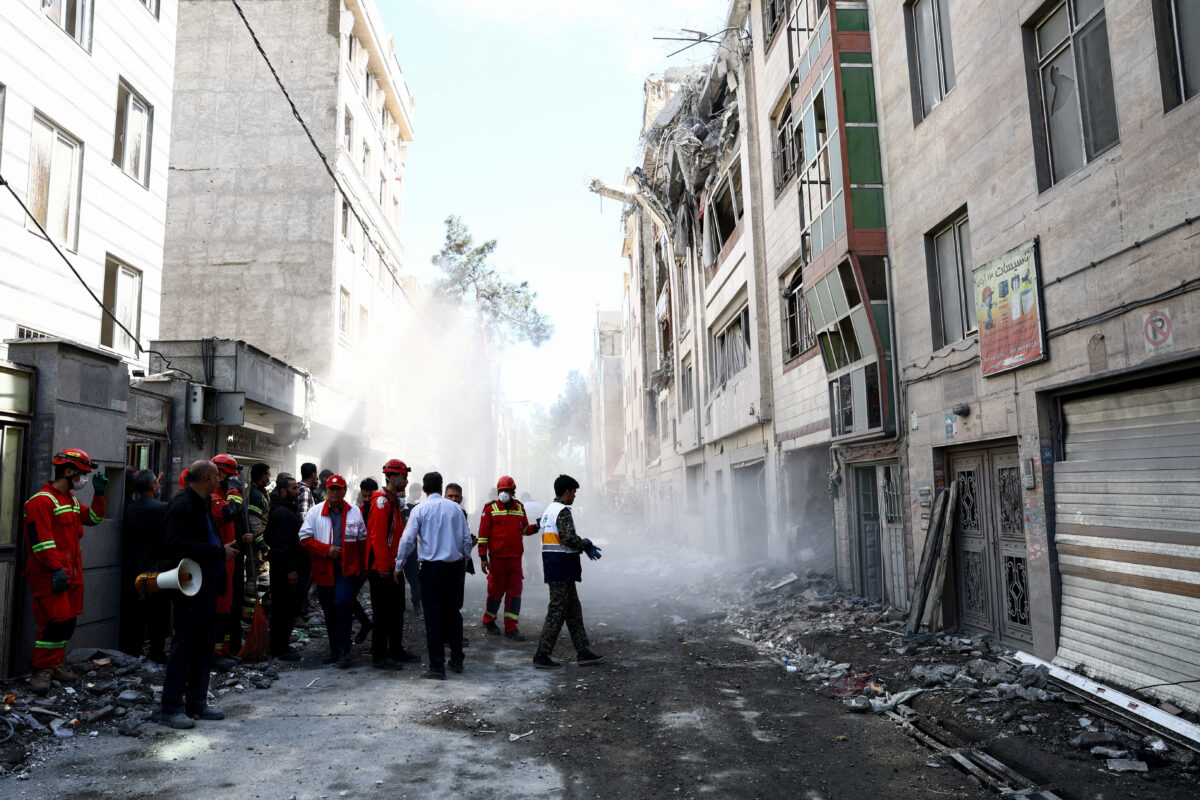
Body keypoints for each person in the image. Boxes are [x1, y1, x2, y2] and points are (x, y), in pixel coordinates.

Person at [159, 461, 239, 729]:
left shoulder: (202, 502)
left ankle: (197, 701)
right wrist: (218, 552)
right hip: (189, 586)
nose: (221, 480)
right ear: (207, 477)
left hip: (206, 585)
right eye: (217, 475)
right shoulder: (183, 504)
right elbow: (175, 544)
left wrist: (220, 549)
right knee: (184, 645)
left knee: (203, 645)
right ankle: (170, 708)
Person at [24, 448, 109, 694]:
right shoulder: (41, 501)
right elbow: (41, 541)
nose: (83, 479)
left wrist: (100, 494)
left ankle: (54, 664)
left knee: (68, 623)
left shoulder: (69, 501)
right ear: (68, 472)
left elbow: (92, 518)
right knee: (54, 624)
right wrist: (56, 570)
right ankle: (41, 670)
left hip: (71, 575)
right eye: (81, 474)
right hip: (51, 575)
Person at [395, 471, 472, 680]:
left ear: (424, 490)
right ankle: (457, 661)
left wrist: (398, 564)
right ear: (441, 487)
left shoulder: (419, 510)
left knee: (433, 617)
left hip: (431, 570)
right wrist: (463, 562)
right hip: (453, 568)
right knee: (453, 614)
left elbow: (407, 539)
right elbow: (466, 540)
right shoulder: (455, 509)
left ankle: (437, 667)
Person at [533, 475, 604, 669]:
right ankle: (542, 655)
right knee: (557, 611)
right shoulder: (562, 511)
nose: (574, 496)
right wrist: (585, 544)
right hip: (561, 567)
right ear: (566, 492)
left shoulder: (549, 510)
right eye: (573, 492)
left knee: (573, 611)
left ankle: (583, 653)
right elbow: (568, 537)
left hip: (555, 566)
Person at [300, 474, 366, 668]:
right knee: (329, 609)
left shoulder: (354, 511)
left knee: (343, 604)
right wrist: (325, 550)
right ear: (326, 491)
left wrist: (362, 568)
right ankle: (334, 649)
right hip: (323, 567)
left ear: (345, 491)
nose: (335, 492)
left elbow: (362, 539)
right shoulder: (315, 511)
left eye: (339, 489)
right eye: (332, 489)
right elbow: (303, 538)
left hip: (346, 568)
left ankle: (345, 650)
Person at [364, 460, 420, 670]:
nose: (406, 481)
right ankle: (379, 656)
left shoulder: (392, 500)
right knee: (382, 612)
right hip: (382, 568)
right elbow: (378, 537)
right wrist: (383, 568)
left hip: (392, 566)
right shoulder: (382, 502)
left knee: (397, 610)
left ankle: (395, 650)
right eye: (403, 477)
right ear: (392, 477)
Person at [478, 475, 537, 641]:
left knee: (515, 592)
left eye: (507, 490)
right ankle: (489, 620)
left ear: (513, 492)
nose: (504, 493)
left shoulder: (519, 507)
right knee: (495, 591)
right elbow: (483, 535)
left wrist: (535, 528)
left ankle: (511, 627)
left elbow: (524, 529)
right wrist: (483, 557)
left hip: (515, 559)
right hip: (497, 559)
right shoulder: (490, 508)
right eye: (502, 490)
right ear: (498, 491)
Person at [119, 469, 169, 663]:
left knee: (135, 613)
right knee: (158, 614)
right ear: (153, 486)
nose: (158, 486)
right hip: (156, 568)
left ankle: (133, 649)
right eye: (156, 483)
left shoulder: (129, 508)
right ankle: (156, 651)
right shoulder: (163, 508)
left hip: (133, 568)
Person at [209, 454, 247, 667]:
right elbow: (229, 513)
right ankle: (214, 655)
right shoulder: (214, 496)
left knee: (226, 607)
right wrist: (235, 490)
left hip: (229, 559)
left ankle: (223, 650)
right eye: (231, 475)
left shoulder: (223, 494)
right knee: (219, 607)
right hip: (219, 559)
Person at [264, 473, 302, 661]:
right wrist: (290, 569)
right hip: (284, 570)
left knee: (283, 607)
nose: (298, 491)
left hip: (281, 567)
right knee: (284, 608)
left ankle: (280, 645)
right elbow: (281, 544)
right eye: (294, 488)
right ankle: (280, 648)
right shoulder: (284, 513)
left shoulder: (282, 510)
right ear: (283, 491)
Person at [443, 482, 474, 649]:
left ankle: (453, 637)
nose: (454, 499)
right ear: (444, 496)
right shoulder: (438, 510)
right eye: (450, 496)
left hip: (457, 563)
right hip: (441, 563)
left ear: (461, 498)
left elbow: (463, 538)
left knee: (455, 604)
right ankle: (446, 637)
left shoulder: (462, 513)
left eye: (456, 496)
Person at [295, 462, 319, 617]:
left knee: (306, 576)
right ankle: (301, 608)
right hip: (305, 542)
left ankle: (303, 605)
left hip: (304, 540)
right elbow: (303, 516)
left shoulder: (302, 489)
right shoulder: (304, 491)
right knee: (305, 576)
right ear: (313, 474)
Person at [520, 492, 545, 584]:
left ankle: (536, 575)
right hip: (537, 533)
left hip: (527, 532)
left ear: (524, 498)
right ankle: (531, 574)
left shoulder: (523, 506)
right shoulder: (540, 506)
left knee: (529, 555)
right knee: (534, 554)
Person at [246, 463, 272, 546]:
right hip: (257, 544)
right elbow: (254, 523)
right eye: (268, 475)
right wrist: (263, 545)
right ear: (263, 477)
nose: (269, 478)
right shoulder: (255, 495)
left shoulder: (258, 491)